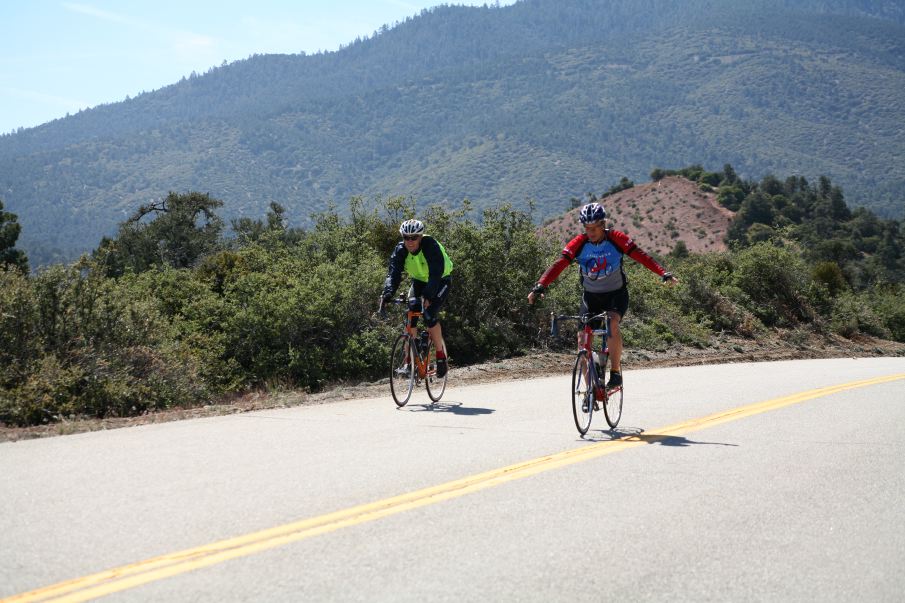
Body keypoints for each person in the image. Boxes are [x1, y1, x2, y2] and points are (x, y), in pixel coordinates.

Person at [528, 202, 677, 389]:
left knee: (612, 321)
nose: (590, 232)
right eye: (587, 228)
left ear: (603, 224)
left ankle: (615, 373)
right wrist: (540, 285)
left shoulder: (616, 238)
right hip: (591, 297)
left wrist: (662, 272)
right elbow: (559, 264)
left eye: (594, 228)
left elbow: (640, 255)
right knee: (582, 342)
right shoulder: (580, 243)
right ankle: (592, 389)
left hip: (616, 295)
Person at [380, 219, 454, 378]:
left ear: (421, 237)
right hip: (419, 281)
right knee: (411, 313)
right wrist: (387, 293)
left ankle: (441, 356)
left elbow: (436, 273)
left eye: (414, 237)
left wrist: (428, 296)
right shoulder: (400, 250)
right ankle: (408, 362)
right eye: (406, 237)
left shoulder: (430, 246)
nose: (410, 241)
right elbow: (393, 274)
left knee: (429, 315)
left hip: (441, 280)